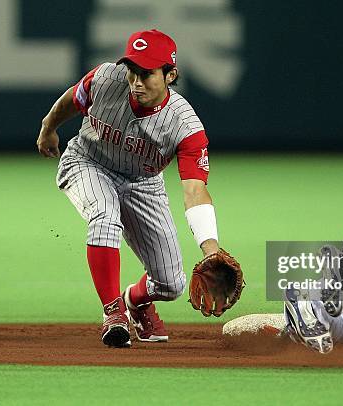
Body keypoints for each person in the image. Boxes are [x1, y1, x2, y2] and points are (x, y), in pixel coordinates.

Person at [36, 29, 220, 348]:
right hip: (87, 162)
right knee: (105, 216)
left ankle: (134, 302)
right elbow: (72, 99)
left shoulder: (185, 126)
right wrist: (48, 127)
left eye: (147, 73)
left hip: (143, 183)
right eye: (133, 70)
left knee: (171, 284)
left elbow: (194, 190)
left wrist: (211, 250)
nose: (136, 81)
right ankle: (113, 313)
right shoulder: (107, 78)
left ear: (170, 75)